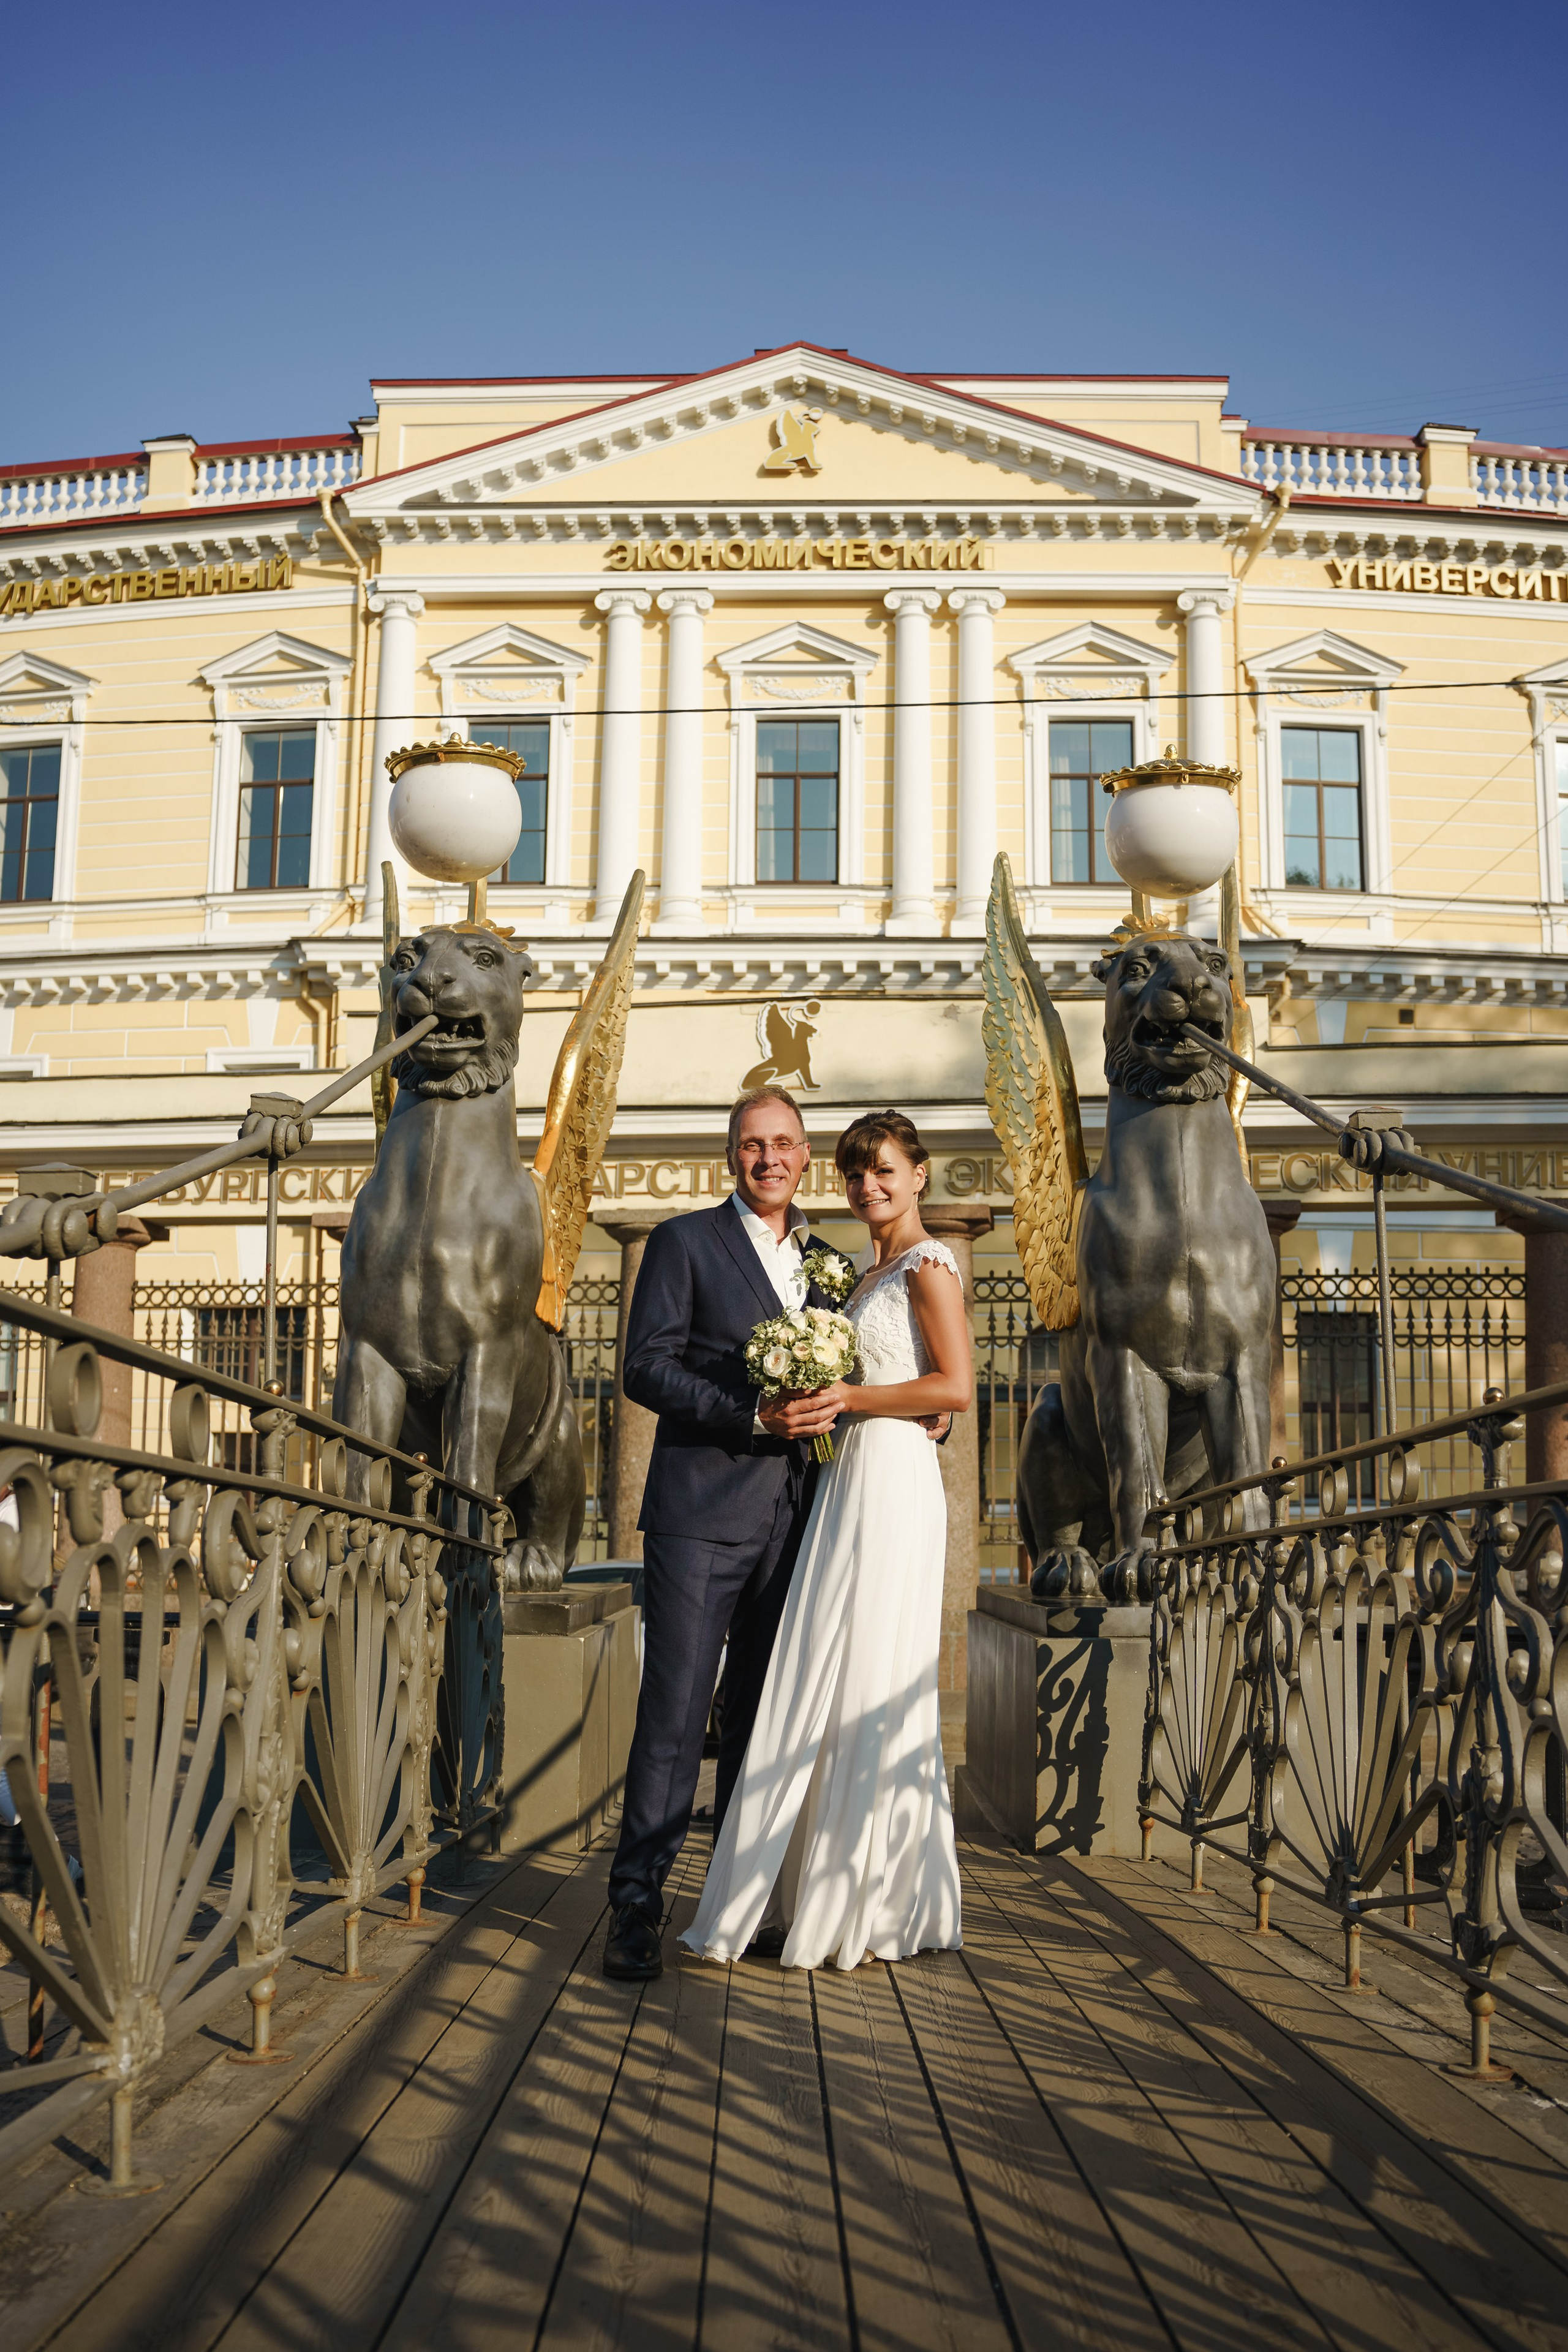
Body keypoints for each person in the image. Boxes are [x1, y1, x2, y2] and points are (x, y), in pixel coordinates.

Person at [681, 1108, 968, 1972]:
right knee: (831, 1671)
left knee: (875, 1671)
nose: (867, 1187)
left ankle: (873, 1901)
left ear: (919, 1173)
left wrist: (848, 1398)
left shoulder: (929, 1264)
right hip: (849, 1479)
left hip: (892, 1483)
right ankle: (816, 1886)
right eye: (852, 1174)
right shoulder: (861, 1273)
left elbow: (954, 1389)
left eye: (882, 1170)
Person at [601, 1088, 842, 1980]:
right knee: (672, 1719)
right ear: (730, 1157)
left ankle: (737, 1903)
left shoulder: (827, 1265)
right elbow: (645, 1366)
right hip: (700, 1519)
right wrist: (751, 1416)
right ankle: (634, 1906)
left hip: (795, 1524)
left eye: (783, 1143)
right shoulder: (683, 1242)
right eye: (751, 1145)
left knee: (761, 1722)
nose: (767, 1158)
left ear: (806, 1155)